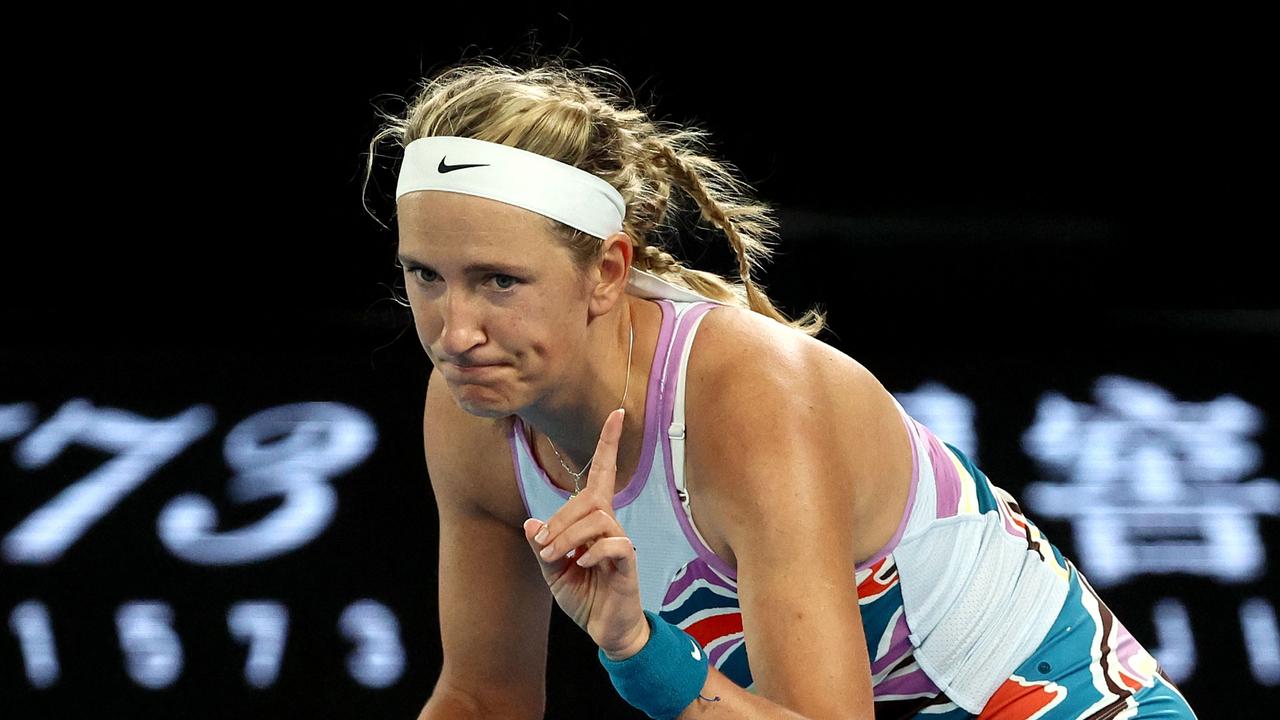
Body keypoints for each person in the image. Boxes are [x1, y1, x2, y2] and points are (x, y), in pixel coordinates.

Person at [364, 57, 1199, 720]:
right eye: (426, 276)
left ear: (607, 272)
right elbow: (485, 701)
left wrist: (633, 647)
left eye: (499, 281)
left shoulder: (748, 394)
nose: (454, 330)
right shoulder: (474, 407)